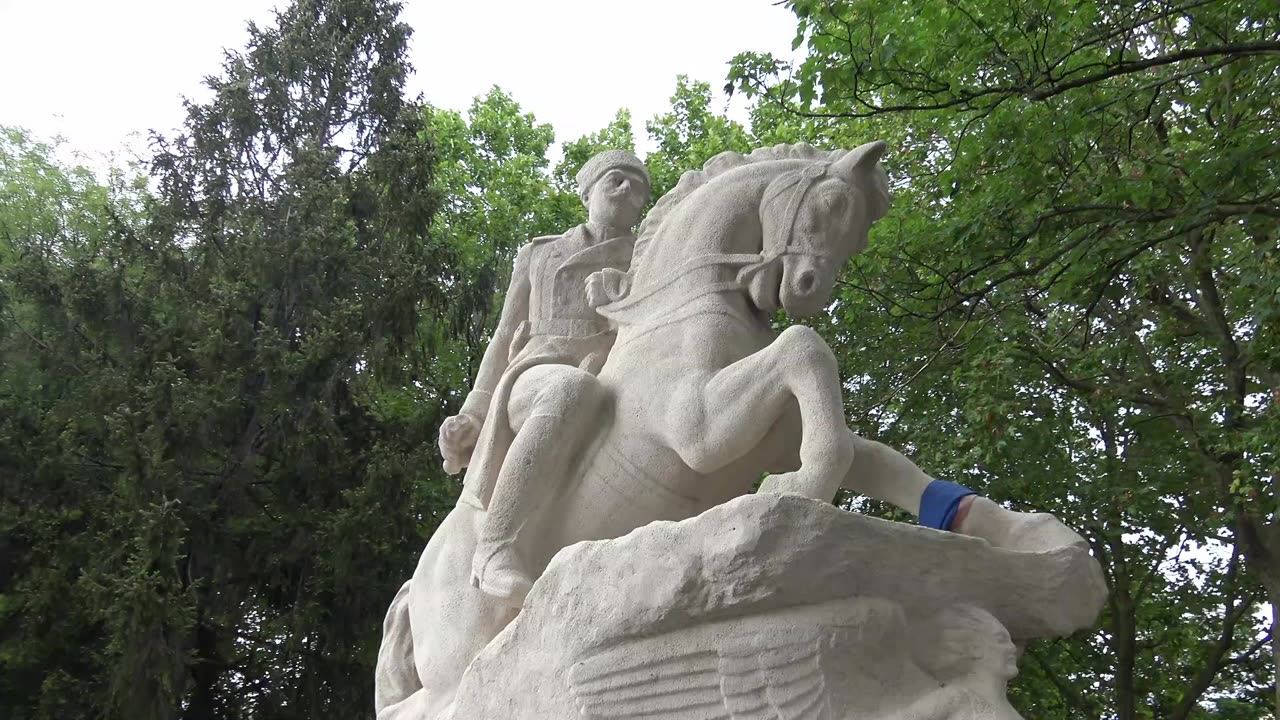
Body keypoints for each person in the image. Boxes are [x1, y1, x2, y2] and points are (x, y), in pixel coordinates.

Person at [437, 149, 652, 605]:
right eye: (617, 180)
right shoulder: (539, 254)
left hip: (617, 369)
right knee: (571, 388)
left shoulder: (648, 256)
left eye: (639, 189)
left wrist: (619, 305)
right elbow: (502, 336)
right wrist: (474, 410)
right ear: (587, 191)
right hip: (538, 371)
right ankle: (495, 550)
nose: (628, 191)